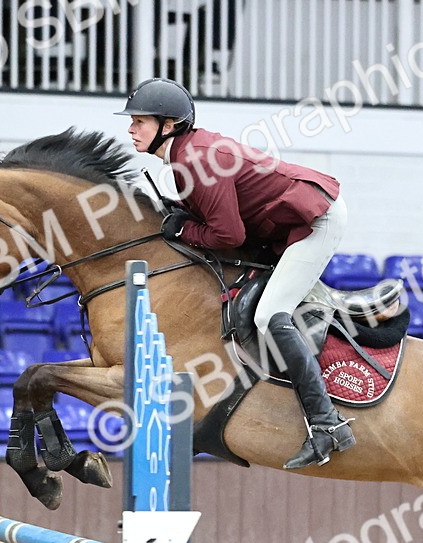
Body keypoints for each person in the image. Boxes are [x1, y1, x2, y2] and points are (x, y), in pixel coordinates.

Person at [118, 78, 355, 470]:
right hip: (281, 217)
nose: (131, 129)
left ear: (169, 125)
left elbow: (229, 234)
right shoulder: (184, 155)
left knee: (267, 315)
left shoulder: (193, 158)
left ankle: (327, 424)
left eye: (140, 121)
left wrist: (182, 230)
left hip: (316, 218)